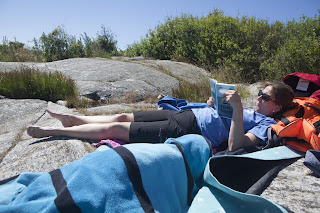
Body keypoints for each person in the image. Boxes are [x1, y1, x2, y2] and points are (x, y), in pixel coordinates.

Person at [27, 83, 295, 151]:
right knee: (122, 115)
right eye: (260, 93)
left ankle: (56, 131)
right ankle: (73, 120)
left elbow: (236, 146)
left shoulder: (265, 124)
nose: (259, 97)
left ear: (277, 108)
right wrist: (212, 103)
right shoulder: (254, 110)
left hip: (189, 129)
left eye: (265, 97)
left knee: (116, 129)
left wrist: (236, 110)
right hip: (184, 114)